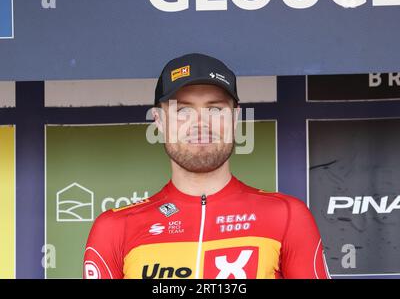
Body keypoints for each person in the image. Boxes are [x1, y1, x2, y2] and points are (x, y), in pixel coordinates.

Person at [83, 53, 330, 279]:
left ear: (235, 118)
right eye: (182, 110)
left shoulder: (287, 216)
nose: (200, 124)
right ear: (158, 121)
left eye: (214, 109)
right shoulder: (115, 228)